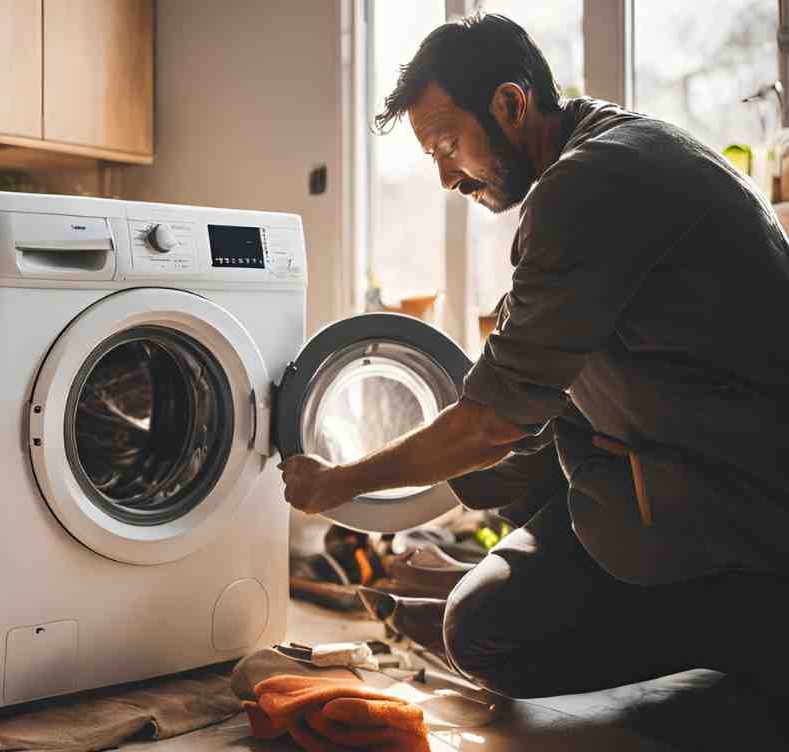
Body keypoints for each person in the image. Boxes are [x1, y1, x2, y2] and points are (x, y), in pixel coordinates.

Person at [279, 13, 789, 699]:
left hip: (745, 507)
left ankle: (749, 632)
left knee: (480, 633)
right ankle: (499, 584)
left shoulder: (586, 185)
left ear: (510, 105)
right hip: (683, 454)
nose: (446, 177)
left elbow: (489, 422)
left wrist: (340, 482)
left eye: (447, 146)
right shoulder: (615, 145)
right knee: (508, 464)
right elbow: (519, 382)